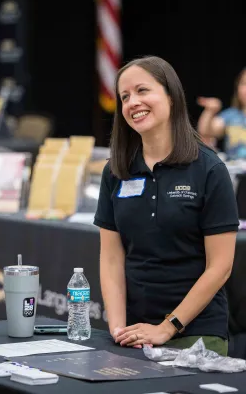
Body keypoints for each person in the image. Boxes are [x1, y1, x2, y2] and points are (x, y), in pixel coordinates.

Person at [94, 56, 238, 356]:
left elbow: (220, 267)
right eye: (125, 96)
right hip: (134, 332)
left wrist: (167, 327)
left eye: (142, 90)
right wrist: (119, 329)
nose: (133, 102)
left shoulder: (209, 169)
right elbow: (111, 258)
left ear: (171, 96)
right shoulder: (116, 171)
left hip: (196, 336)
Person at [197, 67, 246, 160]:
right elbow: (206, 132)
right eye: (244, 83)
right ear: (237, 88)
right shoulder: (231, 115)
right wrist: (210, 112)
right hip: (235, 171)